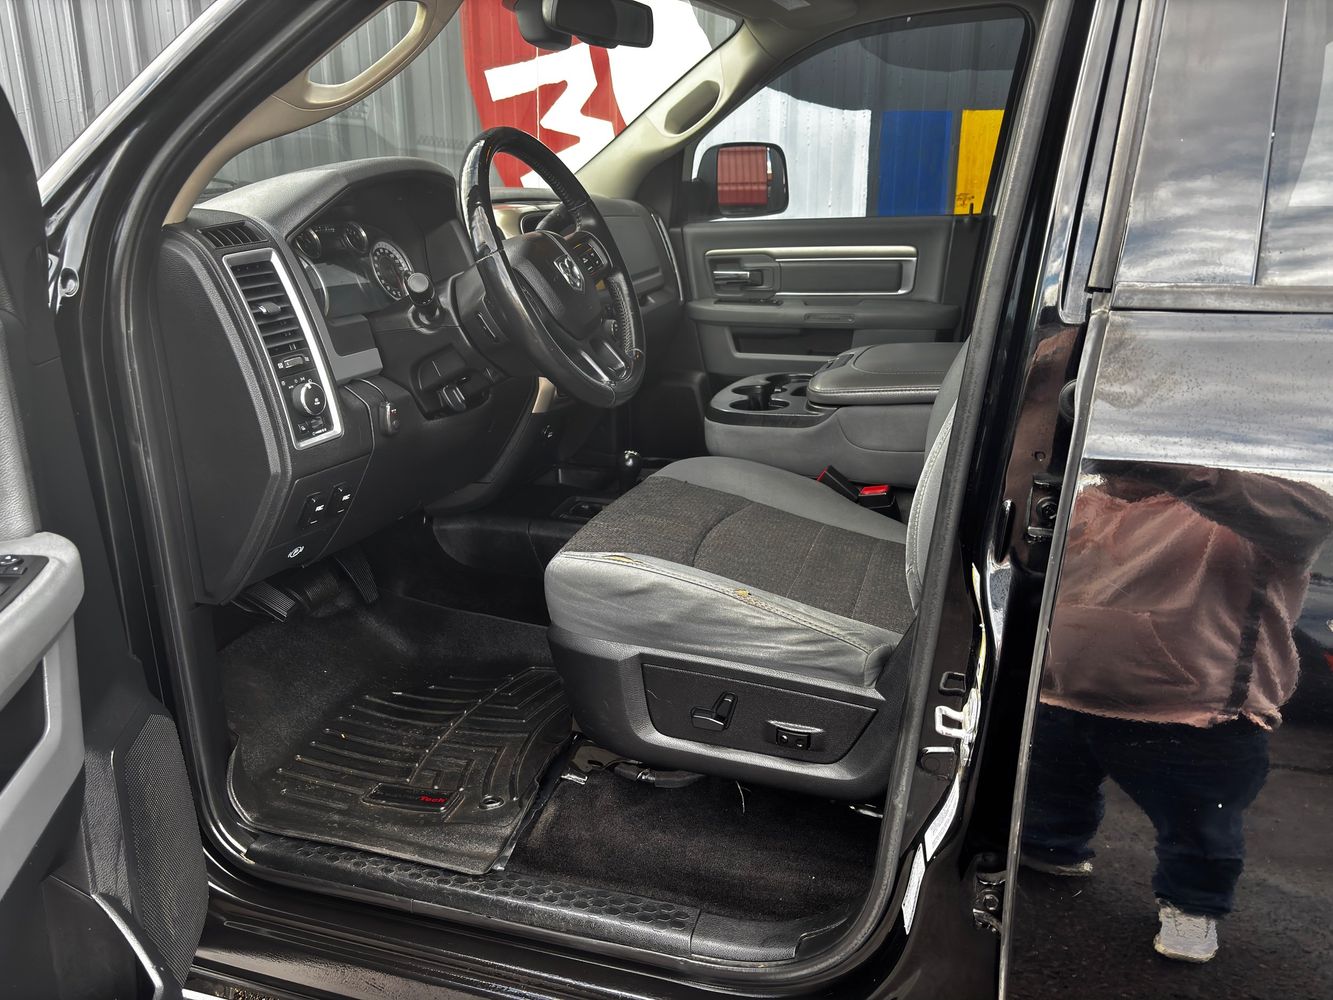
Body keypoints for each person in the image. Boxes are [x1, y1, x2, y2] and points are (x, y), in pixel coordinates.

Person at [1022, 464, 1333, 962]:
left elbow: (1313, 517)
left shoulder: (1239, 512)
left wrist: (1170, 466)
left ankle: (1193, 905)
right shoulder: (1082, 500)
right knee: (1051, 785)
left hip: (1195, 718)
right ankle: (1052, 844)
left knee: (1200, 826)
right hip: (1064, 695)